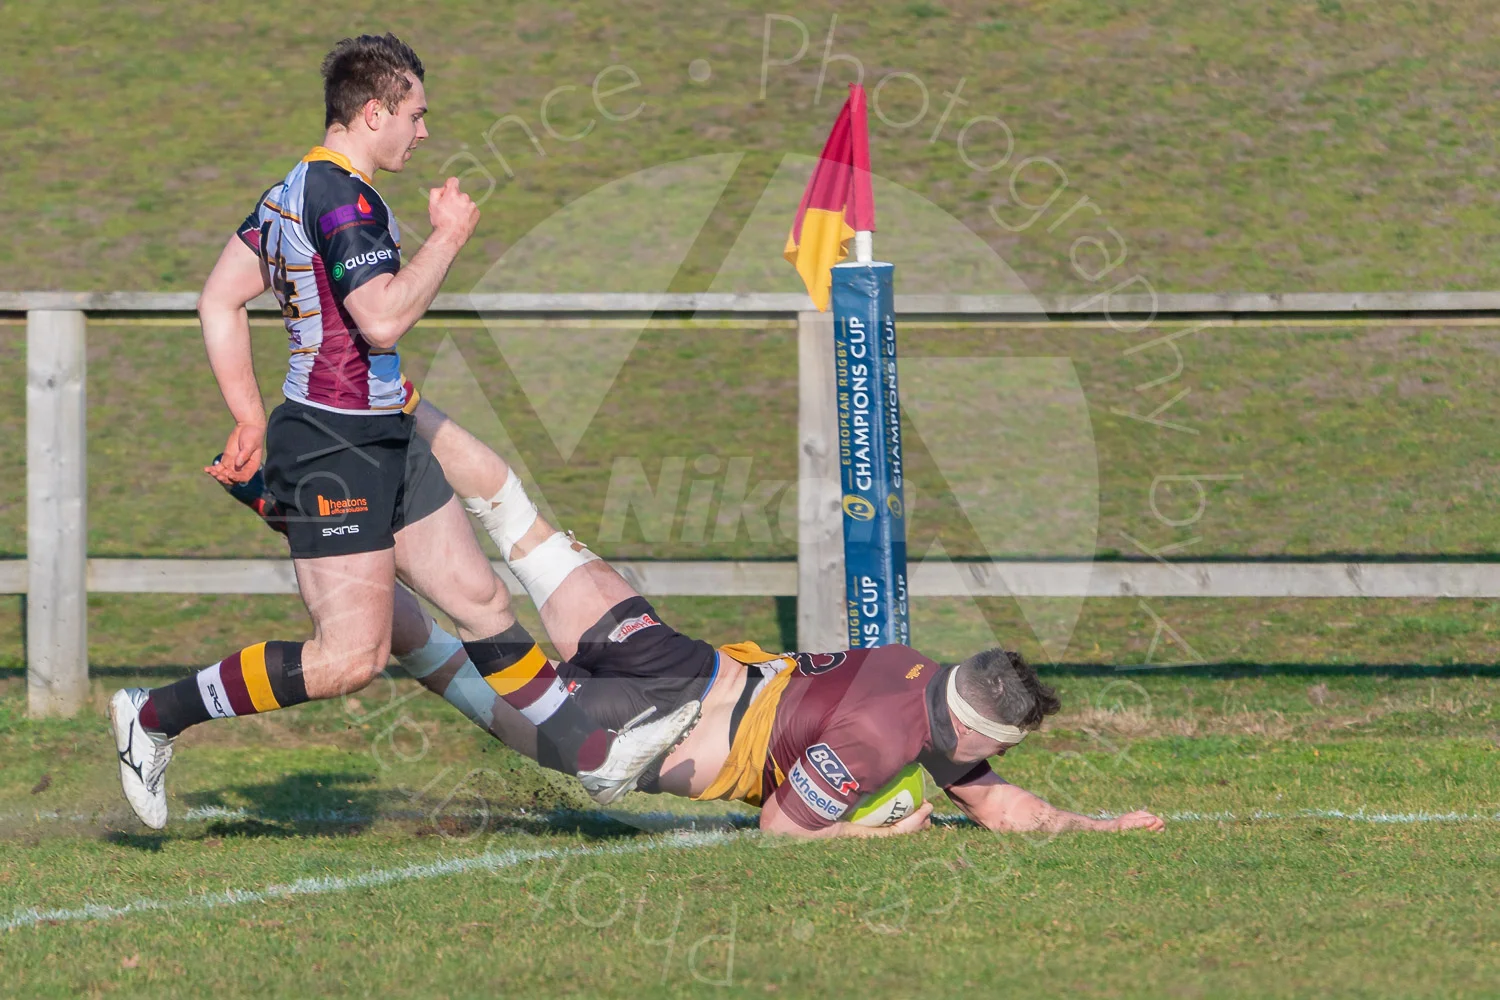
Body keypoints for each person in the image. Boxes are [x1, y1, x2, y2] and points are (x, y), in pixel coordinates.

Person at [108, 33, 697, 831]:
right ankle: (152, 717)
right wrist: (449, 235)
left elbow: (219, 298)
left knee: (481, 598)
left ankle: (589, 749)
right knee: (348, 660)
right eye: (415, 116)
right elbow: (381, 319)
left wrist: (248, 414)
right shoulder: (341, 197)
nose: (423, 133)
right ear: (373, 111)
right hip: (330, 445)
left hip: (381, 432)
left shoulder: (292, 189)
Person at [227, 401, 1167, 838]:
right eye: (982, 747)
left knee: (519, 520)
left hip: (683, 660)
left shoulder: (913, 670)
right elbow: (787, 831)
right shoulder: (887, 740)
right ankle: (298, 516)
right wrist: (874, 833)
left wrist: (1097, 826)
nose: (975, 763)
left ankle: (390, 399)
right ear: (969, 727)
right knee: (450, 658)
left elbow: (995, 800)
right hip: (655, 737)